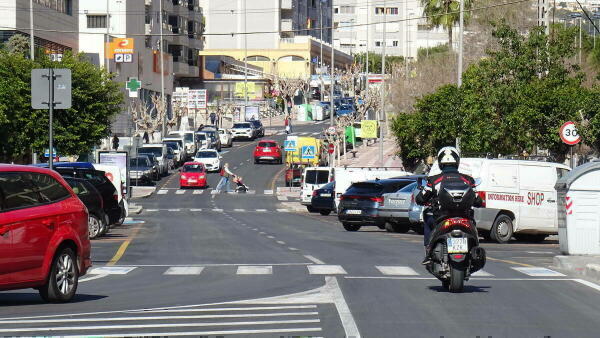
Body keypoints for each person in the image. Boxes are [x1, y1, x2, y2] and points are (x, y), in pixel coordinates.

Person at [415, 146, 482, 265]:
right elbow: (478, 200)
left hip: (441, 217)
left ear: (440, 163)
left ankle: (428, 251)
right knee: (473, 223)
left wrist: (424, 200)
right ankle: (475, 249)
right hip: (465, 217)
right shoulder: (468, 180)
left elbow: (420, 198)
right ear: (457, 162)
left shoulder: (434, 180)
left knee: (427, 216)